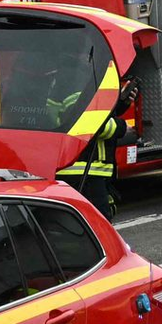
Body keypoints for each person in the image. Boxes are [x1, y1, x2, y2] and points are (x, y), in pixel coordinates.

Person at [56, 74, 139, 221]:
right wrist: (121, 127)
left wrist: (120, 103)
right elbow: (90, 125)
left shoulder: (77, 79)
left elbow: (99, 114)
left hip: (89, 171)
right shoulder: (76, 83)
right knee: (98, 226)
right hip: (85, 172)